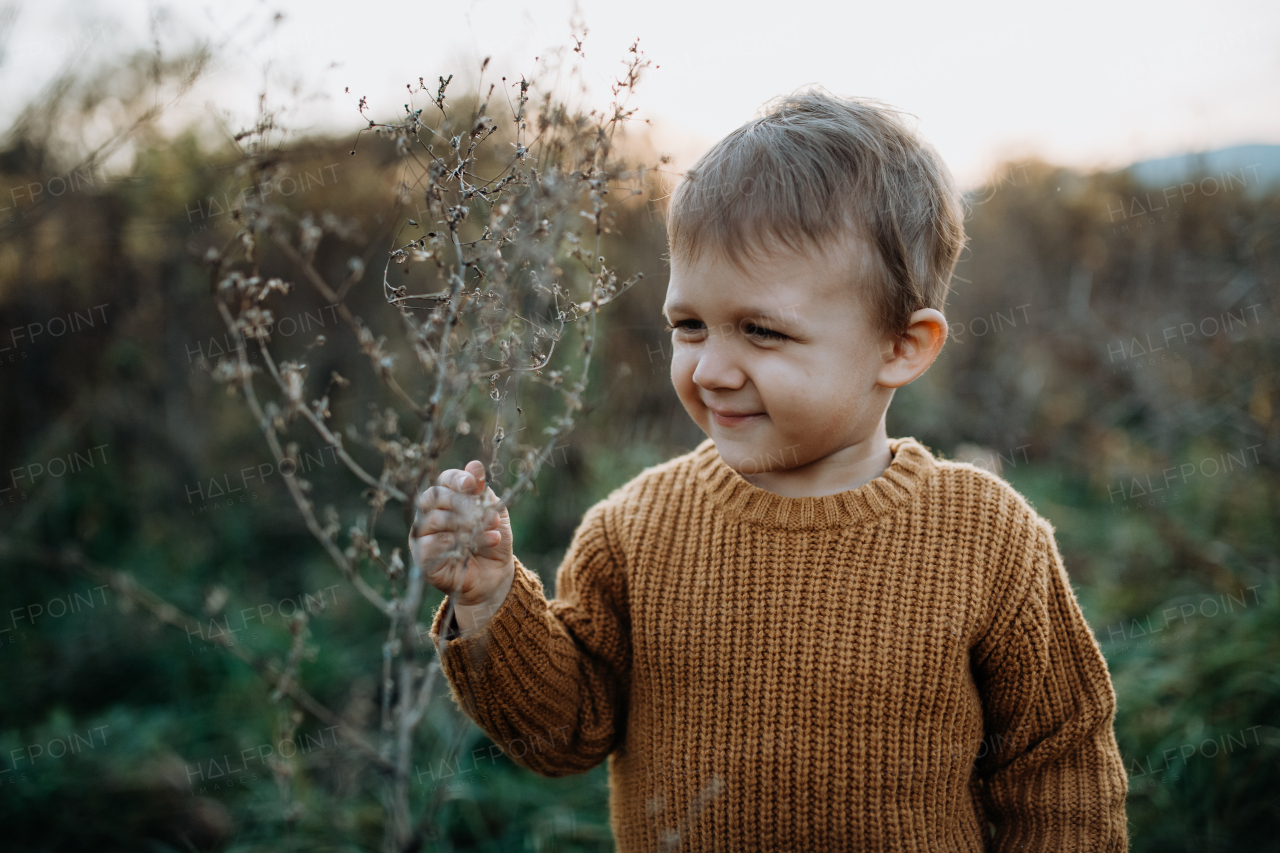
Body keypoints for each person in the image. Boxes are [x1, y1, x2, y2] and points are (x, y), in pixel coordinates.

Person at [411, 88, 1129, 852]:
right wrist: (490, 604)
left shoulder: (987, 537)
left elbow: (1060, 771)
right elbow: (563, 734)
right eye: (690, 325)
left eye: (761, 331)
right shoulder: (634, 530)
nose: (712, 368)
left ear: (901, 346)